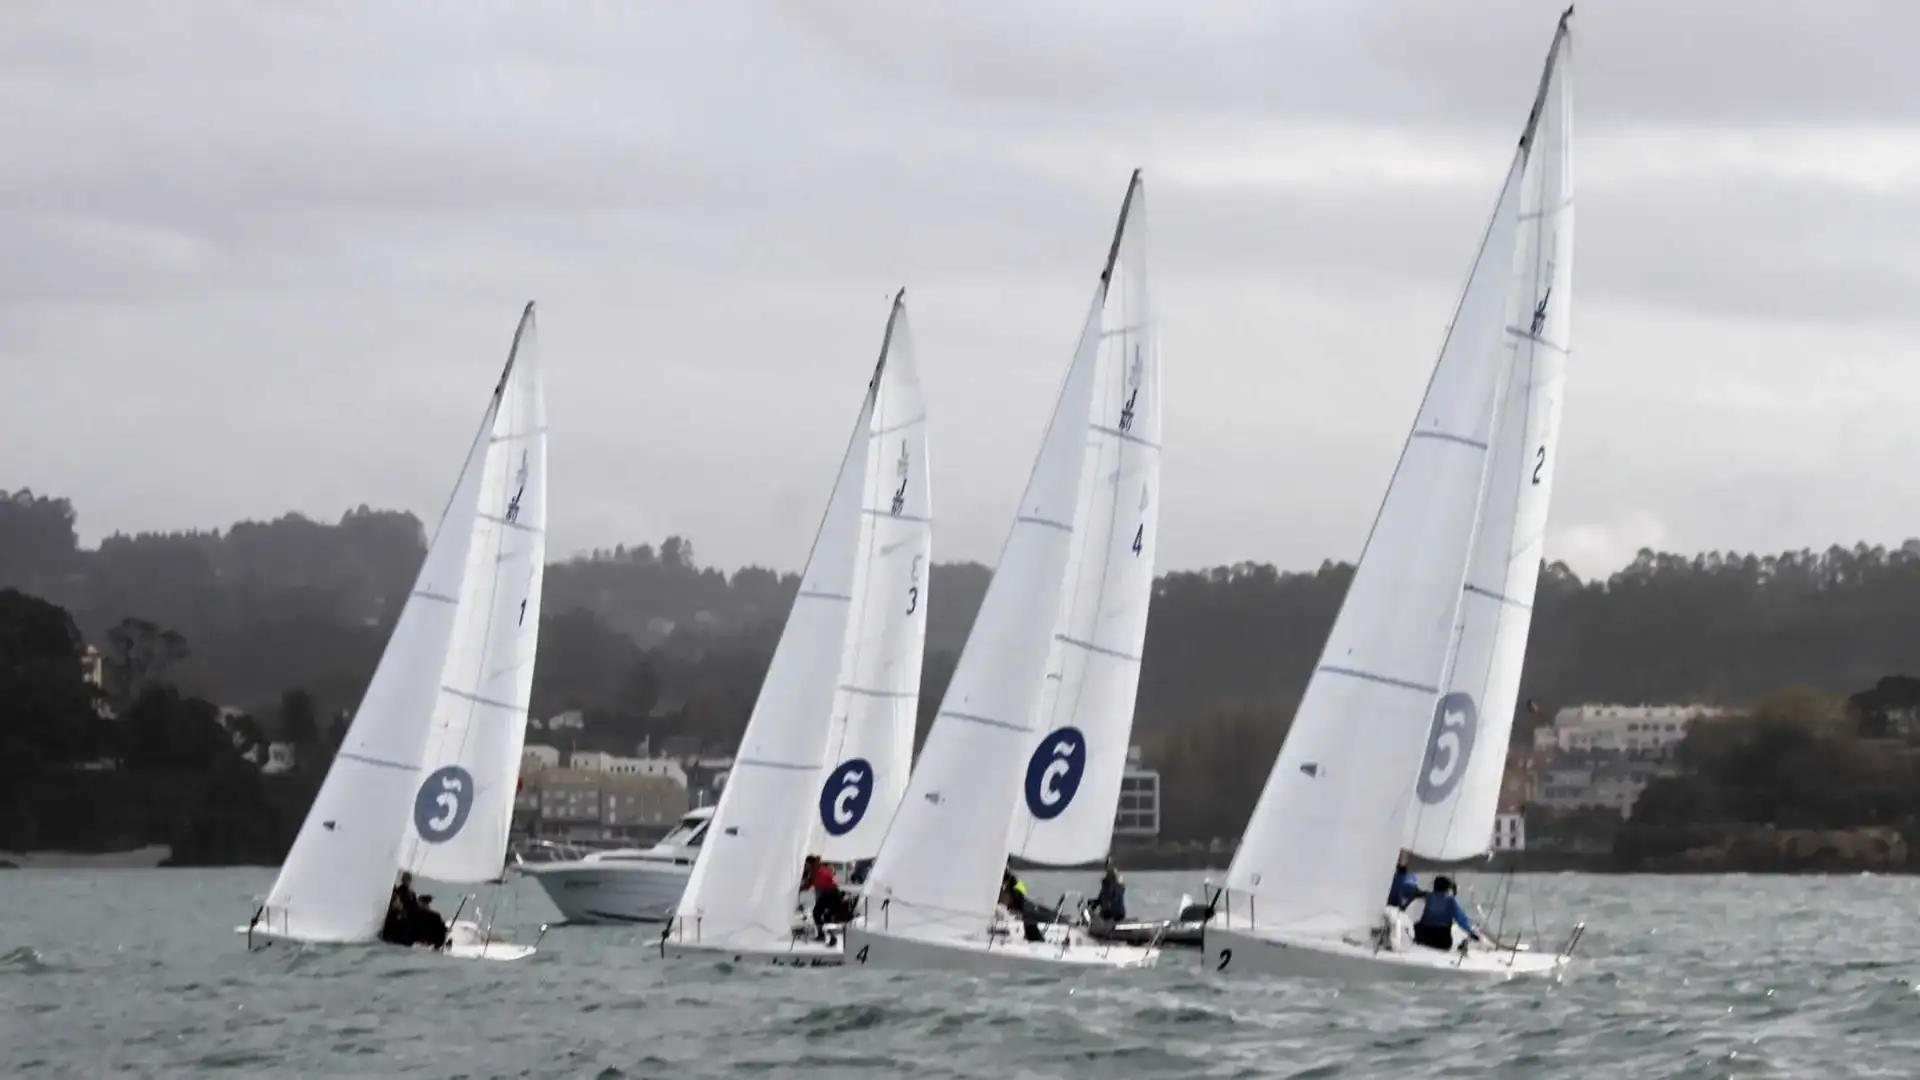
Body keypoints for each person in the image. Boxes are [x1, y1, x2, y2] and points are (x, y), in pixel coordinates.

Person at [1411, 876, 1481, 952]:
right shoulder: (1450, 901)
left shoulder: (1429, 897)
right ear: (1447, 888)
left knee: (1418, 925)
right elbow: (1461, 918)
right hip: (1441, 941)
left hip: (1423, 937)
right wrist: (1471, 932)